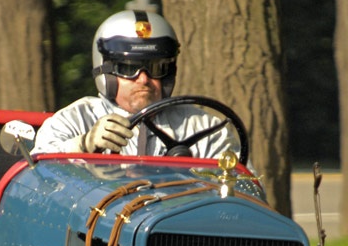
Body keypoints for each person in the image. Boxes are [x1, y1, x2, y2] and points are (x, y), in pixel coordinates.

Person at [31, 9, 239, 159]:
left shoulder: (205, 127)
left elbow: (244, 191)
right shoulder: (76, 119)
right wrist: (83, 144)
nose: (144, 79)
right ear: (106, 71)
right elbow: (37, 179)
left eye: (156, 68)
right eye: (129, 69)